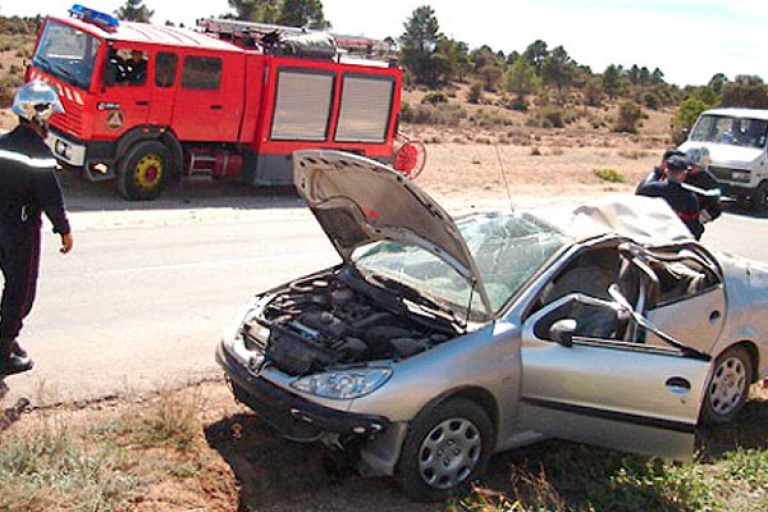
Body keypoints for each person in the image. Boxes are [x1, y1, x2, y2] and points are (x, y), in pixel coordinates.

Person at [0, 81, 74, 378]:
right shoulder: (39, 153)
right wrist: (64, 230)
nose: (50, 120)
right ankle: (4, 351)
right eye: (49, 114)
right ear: (38, 115)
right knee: (21, 290)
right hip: (20, 230)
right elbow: (51, 199)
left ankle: (7, 337)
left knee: (10, 288)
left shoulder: (2, 143)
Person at [636, 155, 703, 240]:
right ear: (684, 174)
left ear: (666, 171)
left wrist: (657, 171)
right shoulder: (689, 198)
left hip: (646, 235)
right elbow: (694, 229)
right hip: (675, 241)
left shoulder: (648, 188)